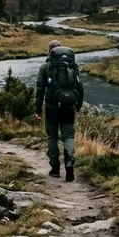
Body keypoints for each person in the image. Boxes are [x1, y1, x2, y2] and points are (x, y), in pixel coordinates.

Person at [35, 40, 84, 181]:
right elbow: (80, 86)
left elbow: (39, 90)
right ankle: (69, 165)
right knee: (68, 136)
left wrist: (38, 109)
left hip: (52, 107)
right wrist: (78, 105)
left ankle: (55, 169)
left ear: (49, 51)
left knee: (52, 137)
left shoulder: (45, 67)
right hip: (69, 106)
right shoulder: (72, 65)